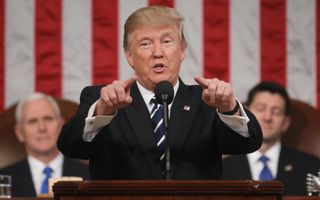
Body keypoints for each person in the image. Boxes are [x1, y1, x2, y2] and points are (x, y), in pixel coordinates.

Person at [57, 6, 262, 180]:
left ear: (182, 51)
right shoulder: (102, 101)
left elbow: (248, 144)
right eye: (145, 44)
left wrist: (229, 109)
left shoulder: (207, 101)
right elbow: (70, 147)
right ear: (129, 56)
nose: (158, 52)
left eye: (166, 41)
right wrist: (103, 111)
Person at [221, 81, 320, 196]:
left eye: (276, 111)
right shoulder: (221, 171)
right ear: (245, 115)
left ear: (285, 123)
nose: (268, 117)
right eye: (261, 109)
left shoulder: (312, 168)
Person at [0, 93, 90, 197]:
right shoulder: (3, 179)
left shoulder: (90, 176)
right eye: (32, 121)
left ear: (61, 126)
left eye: (48, 119)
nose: (42, 128)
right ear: (19, 133)